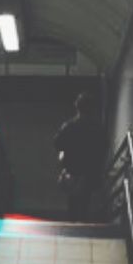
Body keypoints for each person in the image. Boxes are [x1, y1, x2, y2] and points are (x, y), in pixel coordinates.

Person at [54, 92, 106, 222]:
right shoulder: (98, 129)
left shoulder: (69, 126)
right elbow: (104, 148)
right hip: (89, 172)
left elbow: (57, 143)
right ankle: (83, 224)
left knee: (72, 202)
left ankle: (72, 224)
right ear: (92, 109)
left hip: (72, 171)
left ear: (77, 107)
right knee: (85, 202)